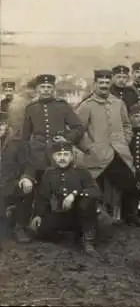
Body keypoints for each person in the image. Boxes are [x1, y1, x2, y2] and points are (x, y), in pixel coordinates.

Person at [75, 70, 140, 226]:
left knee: (130, 184)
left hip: (119, 153)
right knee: (93, 189)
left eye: (107, 83)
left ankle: (131, 216)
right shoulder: (87, 106)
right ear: (95, 84)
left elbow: (127, 125)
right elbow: (78, 130)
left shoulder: (118, 103)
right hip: (96, 157)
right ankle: (96, 219)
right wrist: (89, 148)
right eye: (101, 83)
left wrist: (124, 140)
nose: (104, 86)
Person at [29, 140, 104, 261]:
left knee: (87, 201)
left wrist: (74, 195)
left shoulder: (81, 171)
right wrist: (38, 215)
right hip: (62, 213)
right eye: (59, 155)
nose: (62, 158)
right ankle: (70, 235)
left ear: (71, 156)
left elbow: (96, 192)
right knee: (42, 229)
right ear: (53, 157)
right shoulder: (49, 173)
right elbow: (43, 197)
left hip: (82, 214)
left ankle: (88, 241)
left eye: (66, 155)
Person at [20, 73, 84, 192]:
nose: (46, 90)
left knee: (59, 187)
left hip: (59, 153)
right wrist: (26, 157)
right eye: (42, 87)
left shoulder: (63, 106)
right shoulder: (31, 108)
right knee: (38, 189)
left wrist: (66, 138)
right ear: (38, 89)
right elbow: (25, 136)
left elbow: (78, 128)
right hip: (37, 155)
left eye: (49, 87)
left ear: (53, 89)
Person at [0, 112, 31, 243]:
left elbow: (27, 164)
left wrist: (26, 177)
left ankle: (19, 227)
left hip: (9, 182)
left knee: (25, 188)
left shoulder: (16, 143)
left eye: (1, 125)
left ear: (6, 126)